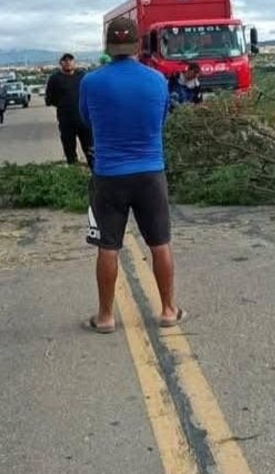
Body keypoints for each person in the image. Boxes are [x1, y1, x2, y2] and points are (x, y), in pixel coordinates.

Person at [80, 16, 183, 333]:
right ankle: (167, 310)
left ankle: (106, 317)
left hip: (109, 174)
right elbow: (162, 119)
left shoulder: (91, 82)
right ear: (138, 44)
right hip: (151, 172)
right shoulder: (157, 80)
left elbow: (86, 120)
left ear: (108, 47)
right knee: (160, 242)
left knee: (108, 246)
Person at [45, 53, 94, 168]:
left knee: (91, 151)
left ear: (74, 62)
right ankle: (73, 172)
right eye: (65, 60)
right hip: (66, 122)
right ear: (61, 63)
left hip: (84, 121)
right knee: (69, 151)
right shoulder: (55, 79)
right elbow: (50, 99)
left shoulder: (82, 76)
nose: (68, 62)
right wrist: (63, 104)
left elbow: (91, 94)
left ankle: (95, 175)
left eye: (70, 60)